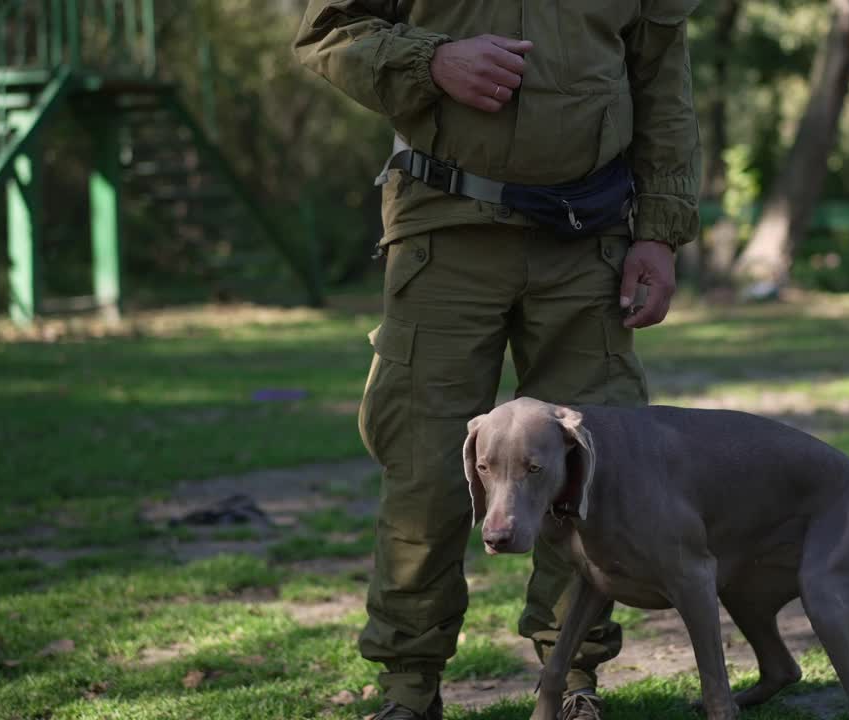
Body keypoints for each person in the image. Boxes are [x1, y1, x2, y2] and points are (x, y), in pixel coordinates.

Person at [294, 2, 700, 718]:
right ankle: (408, 692)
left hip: (588, 239)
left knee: (588, 473)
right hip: (444, 232)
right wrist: (431, 62)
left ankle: (571, 684)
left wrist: (660, 231)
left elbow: (661, 77)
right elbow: (329, 34)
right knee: (427, 469)